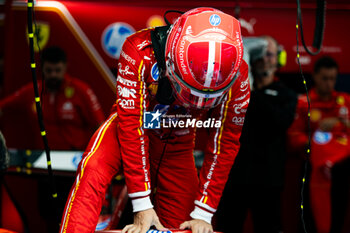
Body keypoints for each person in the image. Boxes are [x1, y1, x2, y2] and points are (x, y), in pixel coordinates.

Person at [59, 8, 250, 233]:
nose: (196, 104)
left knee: (193, 224)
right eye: (189, 92)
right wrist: (141, 204)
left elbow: (224, 143)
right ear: (170, 61)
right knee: (93, 169)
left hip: (177, 142)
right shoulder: (140, 50)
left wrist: (203, 213)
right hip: (129, 129)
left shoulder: (239, 76)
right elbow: (132, 125)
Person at [216, 36, 297, 233]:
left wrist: (249, 89)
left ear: (279, 59)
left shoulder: (286, 95)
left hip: (268, 181)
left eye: (269, 54)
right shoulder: (234, 94)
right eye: (260, 54)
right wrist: (244, 83)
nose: (264, 59)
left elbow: (278, 121)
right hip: (235, 178)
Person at [288, 56, 350, 233]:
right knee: (309, 218)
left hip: (339, 171)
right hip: (312, 170)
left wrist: (340, 121)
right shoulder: (303, 103)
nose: (329, 83)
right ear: (315, 76)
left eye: (333, 79)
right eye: (325, 78)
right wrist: (317, 142)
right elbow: (293, 138)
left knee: (337, 216)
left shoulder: (345, 101)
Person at [0, 46, 105, 150]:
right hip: (44, 157)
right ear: (42, 68)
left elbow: (100, 126)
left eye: (57, 70)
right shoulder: (33, 91)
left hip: (75, 157)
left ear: (65, 67)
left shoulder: (82, 90)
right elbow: (4, 105)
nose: (53, 75)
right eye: (49, 71)